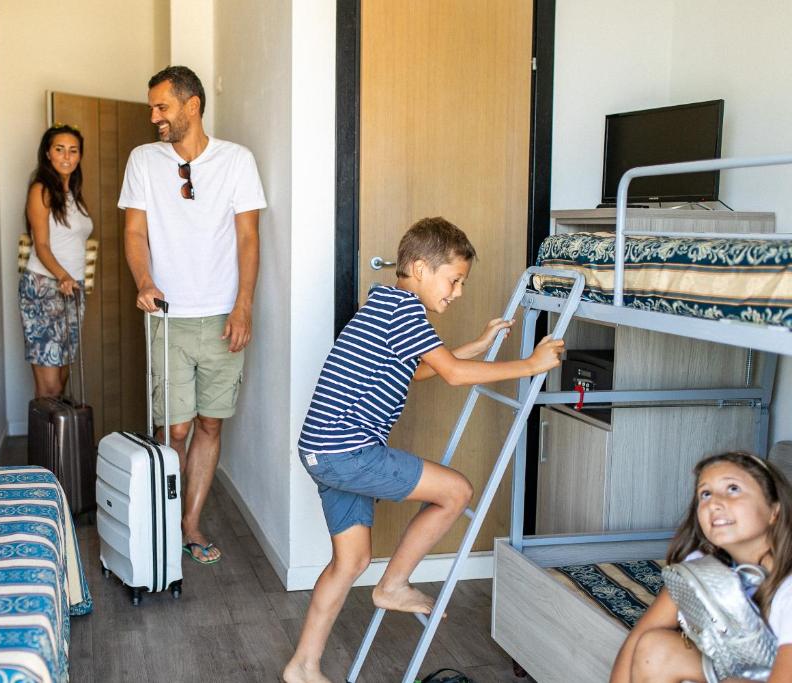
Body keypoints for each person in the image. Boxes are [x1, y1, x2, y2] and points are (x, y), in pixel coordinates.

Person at [283, 217, 564, 683]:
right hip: (347, 449)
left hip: (322, 450)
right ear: (419, 268)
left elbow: (417, 371)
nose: (458, 292)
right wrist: (531, 364)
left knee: (350, 562)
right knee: (456, 491)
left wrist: (474, 346)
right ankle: (393, 584)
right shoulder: (405, 311)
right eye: (454, 280)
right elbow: (451, 374)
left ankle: (302, 666)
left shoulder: (384, 303)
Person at [120, 65, 266, 565]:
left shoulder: (237, 161)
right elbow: (135, 232)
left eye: (162, 107)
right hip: (168, 317)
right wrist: (144, 280)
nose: (154, 117)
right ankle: (164, 521)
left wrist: (244, 305)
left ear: (193, 105)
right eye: (152, 108)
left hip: (223, 316)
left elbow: (248, 238)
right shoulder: (143, 160)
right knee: (174, 430)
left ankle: (189, 524)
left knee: (209, 425)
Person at [610, 451, 792, 683]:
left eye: (733, 489)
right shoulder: (705, 567)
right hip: (749, 672)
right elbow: (641, 635)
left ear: (774, 511)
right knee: (655, 650)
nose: (713, 502)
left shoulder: (788, 588)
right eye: (705, 494)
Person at [19, 123, 93, 398]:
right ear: (48, 153)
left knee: (61, 380)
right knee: (49, 386)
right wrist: (63, 276)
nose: (67, 156)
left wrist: (73, 282)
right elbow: (41, 245)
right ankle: (43, 429)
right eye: (60, 149)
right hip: (44, 289)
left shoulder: (73, 194)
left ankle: (55, 429)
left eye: (73, 150)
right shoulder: (41, 190)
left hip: (71, 290)